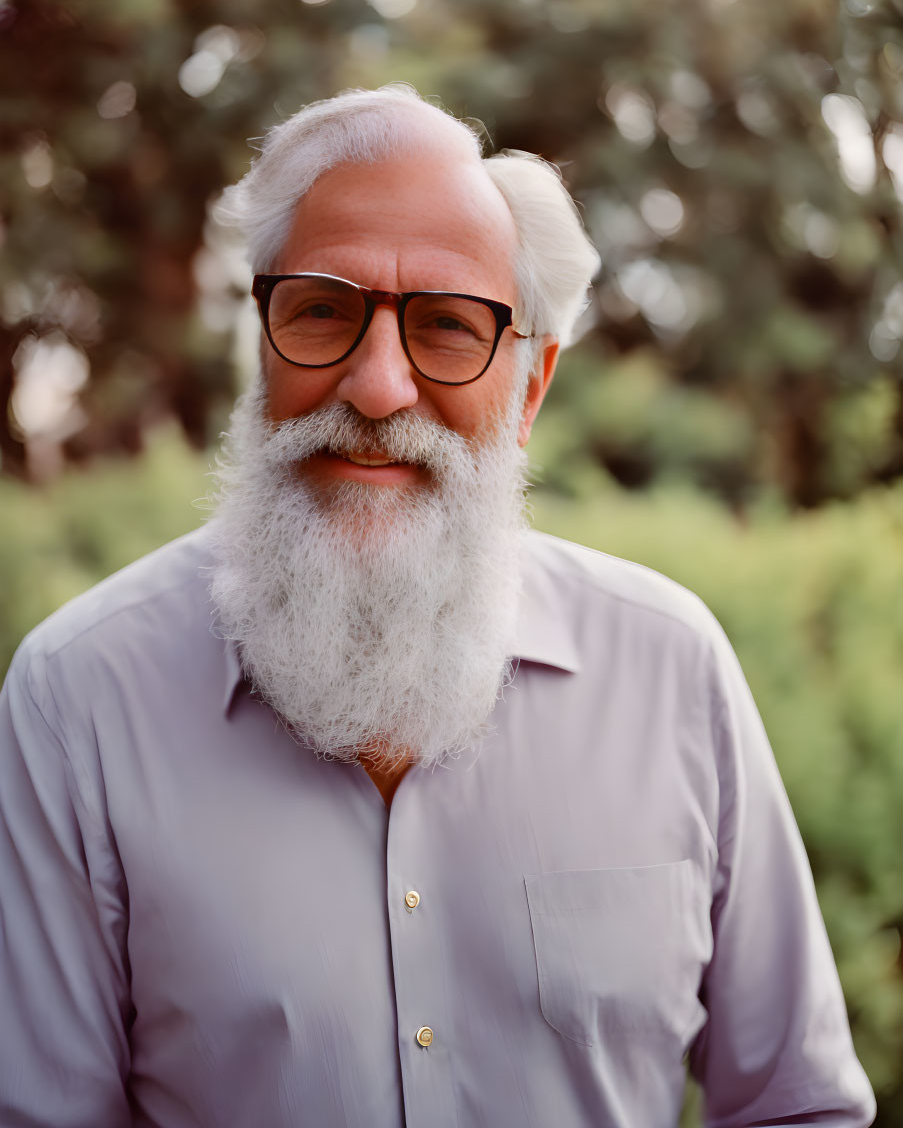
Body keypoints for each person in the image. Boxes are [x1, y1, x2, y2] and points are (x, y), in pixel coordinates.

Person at [0, 84, 875, 1128]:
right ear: (263, 340)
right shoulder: (80, 698)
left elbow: (799, 1108)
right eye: (323, 308)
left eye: (448, 328)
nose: (376, 387)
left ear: (530, 389)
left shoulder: (671, 668)